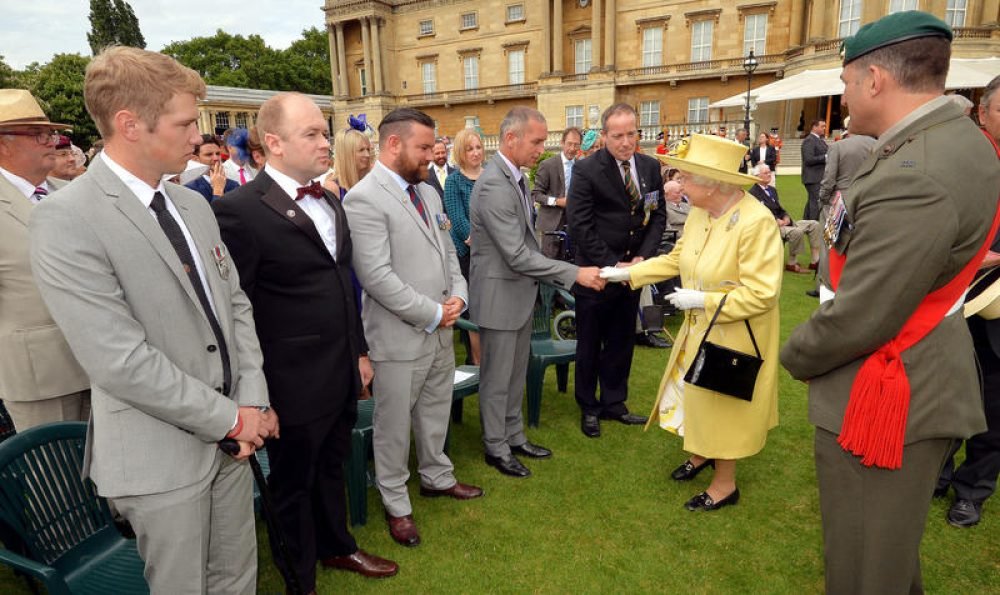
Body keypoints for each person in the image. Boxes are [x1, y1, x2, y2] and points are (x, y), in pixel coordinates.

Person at [28, 47, 277, 593]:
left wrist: (253, 399)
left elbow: (234, 304)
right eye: (186, 122)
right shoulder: (65, 220)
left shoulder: (192, 206)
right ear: (129, 124)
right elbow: (120, 360)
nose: (198, 138)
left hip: (234, 442)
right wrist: (231, 419)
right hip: (158, 459)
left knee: (237, 579)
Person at [780, 13, 1000, 593]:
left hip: (888, 388)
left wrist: (795, 353)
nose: (843, 94)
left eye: (847, 81)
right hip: (919, 373)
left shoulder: (916, 172)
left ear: (875, 79)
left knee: (863, 569)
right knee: (889, 558)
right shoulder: (948, 142)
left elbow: (864, 315)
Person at [214, 92, 397, 590]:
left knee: (333, 466)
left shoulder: (330, 199)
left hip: (340, 370)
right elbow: (237, 310)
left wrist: (359, 352)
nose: (325, 141)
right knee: (292, 482)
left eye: (325, 130)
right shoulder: (237, 211)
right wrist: (256, 396)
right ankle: (300, 577)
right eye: (312, 133)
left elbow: (343, 283)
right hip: (290, 381)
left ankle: (338, 546)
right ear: (273, 143)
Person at [601, 133, 782, 511]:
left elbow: (763, 293)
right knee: (696, 396)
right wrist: (626, 274)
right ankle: (701, 454)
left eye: (686, 177)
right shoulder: (701, 212)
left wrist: (703, 299)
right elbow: (676, 259)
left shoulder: (756, 222)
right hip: (699, 328)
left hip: (735, 334)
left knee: (723, 406)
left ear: (714, 183)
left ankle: (725, 484)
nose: (679, 184)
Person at [345, 107, 483, 547]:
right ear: (394, 144)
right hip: (399, 336)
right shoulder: (363, 198)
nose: (432, 154)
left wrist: (459, 296)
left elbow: (447, 254)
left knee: (434, 408)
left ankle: (436, 476)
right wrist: (431, 312)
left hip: (442, 328)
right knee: (392, 424)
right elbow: (376, 276)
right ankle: (396, 503)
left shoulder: (428, 192)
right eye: (424, 147)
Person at [470, 106, 605, 477]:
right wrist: (575, 273)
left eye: (544, 141)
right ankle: (495, 447)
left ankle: (514, 437)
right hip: (500, 297)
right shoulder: (496, 183)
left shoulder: (517, 177)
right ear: (510, 139)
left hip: (518, 294)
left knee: (514, 375)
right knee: (497, 379)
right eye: (537, 141)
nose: (542, 148)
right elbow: (516, 255)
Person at [566, 103, 666, 438]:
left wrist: (643, 259)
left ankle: (614, 403)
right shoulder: (586, 170)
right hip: (596, 274)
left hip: (633, 274)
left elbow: (658, 216)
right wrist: (613, 264)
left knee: (622, 341)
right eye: (617, 135)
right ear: (605, 136)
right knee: (590, 344)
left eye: (631, 134)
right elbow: (579, 225)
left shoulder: (651, 167)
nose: (625, 142)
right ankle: (589, 406)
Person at [0, 90, 90, 432]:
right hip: (39, 377)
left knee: (112, 480)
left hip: (100, 361)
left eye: (51, 133)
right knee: (59, 482)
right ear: (4, 143)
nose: (53, 141)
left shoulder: (70, 193)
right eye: (39, 134)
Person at [936, 73, 1000, 528]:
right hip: (954, 302)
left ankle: (972, 490)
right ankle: (935, 474)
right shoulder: (960, 163)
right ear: (984, 114)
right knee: (944, 394)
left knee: (995, 408)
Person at [443, 127, 485, 365]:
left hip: (495, 256)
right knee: (474, 314)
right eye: (469, 148)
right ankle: (477, 364)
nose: (475, 152)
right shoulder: (453, 181)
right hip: (469, 256)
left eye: (478, 147)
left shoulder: (491, 176)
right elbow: (457, 219)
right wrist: (478, 240)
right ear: (461, 152)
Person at [749, 164, 821, 273]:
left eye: (769, 172)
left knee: (814, 224)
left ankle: (815, 261)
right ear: (757, 176)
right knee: (797, 232)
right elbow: (759, 214)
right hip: (771, 226)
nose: (769, 174)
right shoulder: (752, 193)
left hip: (785, 223)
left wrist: (786, 216)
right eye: (766, 173)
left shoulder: (772, 190)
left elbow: (780, 208)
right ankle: (792, 263)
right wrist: (775, 220)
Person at [532, 127, 581, 260]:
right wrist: (557, 201)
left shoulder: (582, 167)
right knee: (550, 265)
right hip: (551, 226)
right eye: (569, 144)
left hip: (574, 225)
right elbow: (536, 194)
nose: (572, 148)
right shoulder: (547, 165)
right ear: (562, 143)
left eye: (576, 145)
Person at [817, 116, 875, 225]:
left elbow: (829, 177)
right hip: (868, 197)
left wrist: (823, 197)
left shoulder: (838, 146)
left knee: (830, 236)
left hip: (842, 199)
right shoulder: (875, 144)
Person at [185, 134, 238, 202]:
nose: (216, 158)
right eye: (209, 154)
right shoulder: (190, 189)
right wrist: (218, 190)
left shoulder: (233, 185)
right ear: (196, 159)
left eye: (218, 153)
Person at [325, 127, 372, 199]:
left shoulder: (369, 180)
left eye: (368, 149)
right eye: (361, 150)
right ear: (346, 153)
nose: (367, 155)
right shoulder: (332, 187)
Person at [800, 119, 828, 220]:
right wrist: (825, 157)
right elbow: (808, 159)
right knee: (815, 202)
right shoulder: (809, 140)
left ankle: (806, 223)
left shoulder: (819, 140)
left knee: (812, 201)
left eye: (824, 126)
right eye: (822, 126)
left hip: (817, 177)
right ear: (814, 127)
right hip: (813, 177)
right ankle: (814, 224)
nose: (824, 128)